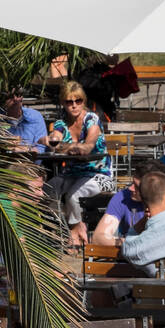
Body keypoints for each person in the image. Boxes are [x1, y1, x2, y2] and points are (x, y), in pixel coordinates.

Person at [45, 81, 114, 247]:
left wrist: (66, 147)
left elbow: (88, 146)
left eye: (78, 101)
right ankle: (60, 230)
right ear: (63, 103)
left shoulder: (92, 119)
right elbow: (54, 141)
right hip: (72, 174)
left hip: (99, 175)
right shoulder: (61, 121)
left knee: (73, 196)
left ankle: (76, 232)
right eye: (69, 102)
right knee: (46, 190)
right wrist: (66, 146)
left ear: (84, 101)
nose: (74, 106)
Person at [91, 159, 165, 245]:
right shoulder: (123, 197)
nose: (130, 188)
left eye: (137, 186)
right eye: (132, 183)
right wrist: (132, 244)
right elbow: (98, 238)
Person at [0, 87, 48, 152]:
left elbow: (41, 148)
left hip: (30, 161)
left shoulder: (35, 116)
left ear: (22, 97)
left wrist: (25, 150)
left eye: (17, 95)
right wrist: (5, 147)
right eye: (10, 96)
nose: (15, 99)